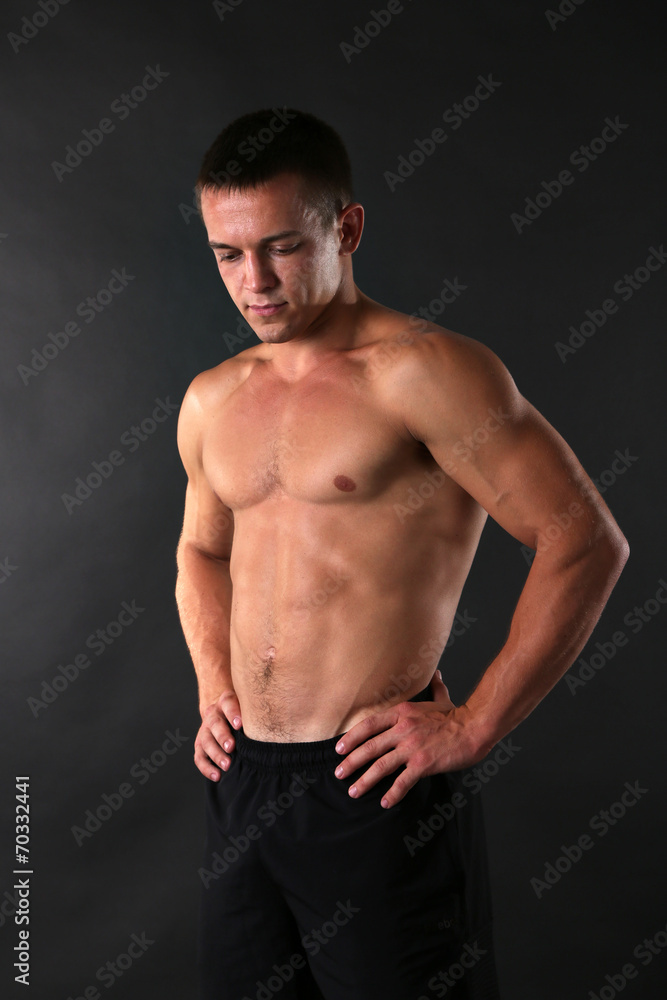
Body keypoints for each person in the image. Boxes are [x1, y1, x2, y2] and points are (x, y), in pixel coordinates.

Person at [175, 107, 628, 1000]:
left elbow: (584, 539)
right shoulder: (213, 398)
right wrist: (212, 684)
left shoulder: (424, 372)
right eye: (228, 254)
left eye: (281, 247)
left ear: (345, 228)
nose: (253, 281)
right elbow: (199, 550)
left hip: (371, 786)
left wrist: (475, 721)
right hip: (242, 784)